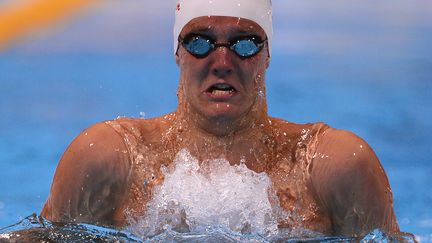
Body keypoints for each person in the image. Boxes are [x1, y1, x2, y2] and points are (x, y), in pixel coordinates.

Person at [40, 0, 400, 238]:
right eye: (200, 42)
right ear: (178, 53)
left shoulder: (329, 166)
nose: (223, 62)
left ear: (267, 55)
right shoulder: (111, 159)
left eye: (245, 43)